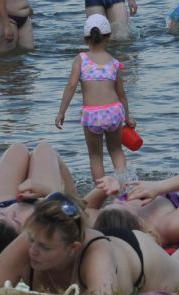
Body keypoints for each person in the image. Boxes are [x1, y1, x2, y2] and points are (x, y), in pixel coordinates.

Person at [0, 194, 179, 295]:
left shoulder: (95, 256)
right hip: (113, 246)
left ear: (73, 248)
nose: (33, 250)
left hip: (136, 254)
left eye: (44, 248)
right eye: (32, 241)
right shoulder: (29, 242)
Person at [55, 14, 133, 183]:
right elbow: (121, 93)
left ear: (85, 39)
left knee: (96, 156)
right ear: (109, 37)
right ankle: (124, 186)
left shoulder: (81, 59)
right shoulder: (114, 62)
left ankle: (102, 192)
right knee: (116, 150)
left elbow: (71, 85)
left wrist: (61, 112)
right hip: (113, 112)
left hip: (92, 115)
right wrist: (127, 117)